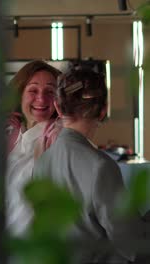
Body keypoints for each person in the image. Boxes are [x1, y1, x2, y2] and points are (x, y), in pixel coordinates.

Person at [32, 67, 145, 263]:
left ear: (58, 107)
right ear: (103, 110)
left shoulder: (42, 162)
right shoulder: (100, 166)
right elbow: (131, 245)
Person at [0, 60, 62, 235]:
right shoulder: (10, 134)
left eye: (50, 91)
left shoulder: (60, 137)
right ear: (19, 95)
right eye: (33, 90)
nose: (41, 98)